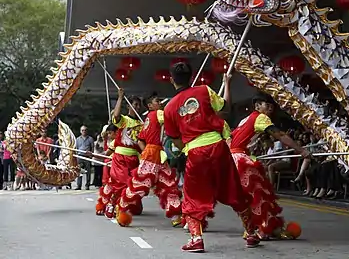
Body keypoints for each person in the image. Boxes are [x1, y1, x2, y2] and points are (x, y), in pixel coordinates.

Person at [163, 62, 260, 253]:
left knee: (193, 195)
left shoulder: (169, 108)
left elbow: (174, 139)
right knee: (233, 188)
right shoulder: (204, 91)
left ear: (172, 80)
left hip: (195, 152)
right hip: (218, 146)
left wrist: (187, 149)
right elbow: (225, 109)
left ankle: (196, 238)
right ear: (191, 77)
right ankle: (250, 234)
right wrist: (227, 84)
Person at [228, 94, 312, 240]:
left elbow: (231, 138)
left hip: (232, 160)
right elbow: (279, 135)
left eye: (272, 105)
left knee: (251, 196)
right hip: (240, 160)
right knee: (259, 194)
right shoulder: (260, 118)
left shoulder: (245, 119)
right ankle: (262, 229)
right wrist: (301, 150)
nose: (270, 108)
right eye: (267, 104)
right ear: (257, 106)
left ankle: (258, 228)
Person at [116, 93, 182, 227]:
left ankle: (176, 214)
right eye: (158, 101)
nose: (161, 103)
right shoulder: (157, 114)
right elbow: (174, 115)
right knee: (141, 185)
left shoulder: (148, 119)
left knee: (169, 184)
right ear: (151, 106)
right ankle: (122, 206)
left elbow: (141, 139)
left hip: (156, 153)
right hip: (152, 154)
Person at [95, 92, 143, 218]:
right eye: (135, 105)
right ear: (128, 106)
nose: (137, 107)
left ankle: (122, 205)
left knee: (133, 185)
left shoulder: (142, 123)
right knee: (122, 183)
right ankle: (113, 204)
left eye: (139, 105)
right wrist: (120, 97)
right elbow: (115, 116)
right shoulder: (124, 121)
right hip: (120, 158)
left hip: (134, 159)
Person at [75, 126, 94, 190]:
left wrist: (91, 156)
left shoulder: (90, 139)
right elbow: (77, 148)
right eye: (82, 130)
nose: (84, 131)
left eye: (85, 130)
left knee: (88, 171)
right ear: (80, 131)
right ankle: (79, 185)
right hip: (80, 156)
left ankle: (87, 185)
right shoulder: (78, 139)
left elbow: (92, 148)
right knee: (79, 171)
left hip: (87, 156)